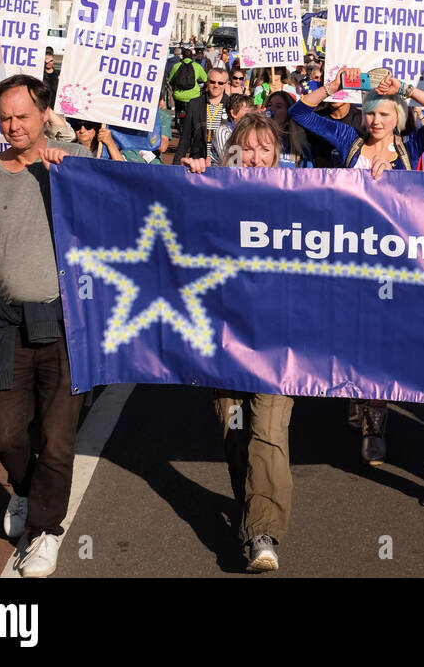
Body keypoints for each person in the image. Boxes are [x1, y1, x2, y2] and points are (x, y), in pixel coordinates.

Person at [0, 74, 90, 578]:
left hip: (65, 325)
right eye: (5, 117)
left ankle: (46, 532)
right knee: (6, 433)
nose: (12, 126)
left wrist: (72, 158)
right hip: (6, 324)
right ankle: (26, 490)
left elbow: (128, 192)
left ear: (45, 115)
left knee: (57, 439)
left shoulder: (69, 168)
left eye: (23, 116)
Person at [291, 67, 424, 462]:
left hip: (396, 262)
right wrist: (333, 87)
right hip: (351, 258)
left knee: (382, 342)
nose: (376, 121)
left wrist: (405, 90)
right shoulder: (350, 140)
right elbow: (299, 114)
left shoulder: (409, 147)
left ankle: (374, 424)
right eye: (370, 113)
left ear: (396, 116)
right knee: (353, 337)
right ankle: (357, 396)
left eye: (384, 114)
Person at [180, 113, 296, 571]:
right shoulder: (213, 191)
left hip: (278, 343)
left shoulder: (298, 195)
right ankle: (252, 510)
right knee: (235, 434)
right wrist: (190, 181)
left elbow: (348, 210)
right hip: (223, 341)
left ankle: (263, 533)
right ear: (231, 151)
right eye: (246, 147)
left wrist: (375, 179)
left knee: (268, 434)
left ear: (277, 153)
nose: (254, 157)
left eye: (264, 148)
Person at [173, 65, 232, 164]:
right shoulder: (194, 103)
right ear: (207, 82)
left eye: (220, 83)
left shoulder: (231, 105)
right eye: (212, 82)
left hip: (223, 164)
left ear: (226, 84)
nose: (216, 85)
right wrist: (175, 167)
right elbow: (185, 138)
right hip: (199, 162)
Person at [263, 90, 313, 167]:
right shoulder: (256, 139)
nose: (271, 109)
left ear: (289, 113)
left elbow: (308, 176)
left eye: (278, 106)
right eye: (269, 105)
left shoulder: (300, 146)